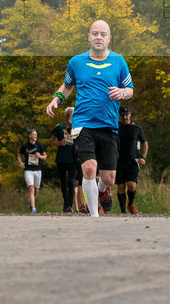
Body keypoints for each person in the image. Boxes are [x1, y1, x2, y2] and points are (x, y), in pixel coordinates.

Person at [45, 20, 133, 218]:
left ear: (109, 38)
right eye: (95, 33)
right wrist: (55, 100)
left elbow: (130, 90)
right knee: (89, 168)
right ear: (89, 37)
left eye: (103, 34)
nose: (99, 37)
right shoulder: (76, 62)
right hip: (82, 123)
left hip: (109, 125)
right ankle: (94, 216)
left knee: (109, 178)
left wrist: (122, 92)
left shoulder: (119, 61)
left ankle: (103, 190)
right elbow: (66, 86)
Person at [115, 105, 148, 214]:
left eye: (126, 115)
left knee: (131, 185)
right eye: (122, 115)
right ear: (119, 116)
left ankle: (130, 204)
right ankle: (123, 210)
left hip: (133, 160)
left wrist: (143, 157)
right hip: (119, 161)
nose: (124, 117)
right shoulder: (116, 127)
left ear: (130, 114)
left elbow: (145, 143)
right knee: (120, 186)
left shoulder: (136, 127)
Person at [51, 107, 77, 212]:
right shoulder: (59, 127)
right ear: (66, 116)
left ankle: (69, 205)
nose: (71, 116)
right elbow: (51, 141)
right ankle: (65, 202)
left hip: (73, 158)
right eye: (69, 114)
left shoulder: (77, 127)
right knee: (63, 182)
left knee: (71, 181)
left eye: (73, 114)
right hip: (61, 158)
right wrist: (59, 143)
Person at [18, 128, 48, 214]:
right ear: (29, 136)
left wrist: (40, 156)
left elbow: (45, 156)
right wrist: (20, 163)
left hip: (38, 170)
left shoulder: (39, 145)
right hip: (28, 170)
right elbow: (19, 155)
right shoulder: (25, 146)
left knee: (36, 190)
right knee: (31, 188)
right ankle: (34, 209)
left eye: (36, 135)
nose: (35, 136)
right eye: (34, 135)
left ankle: (32, 203)